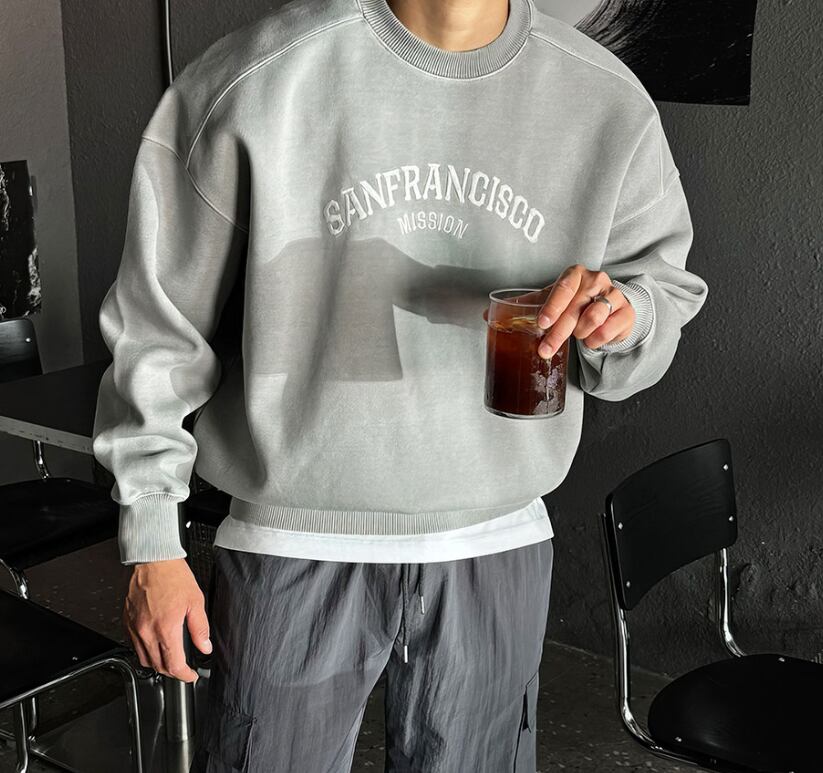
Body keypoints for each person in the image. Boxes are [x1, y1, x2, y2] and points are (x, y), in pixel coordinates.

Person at [92, 0, 708, 770]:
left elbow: (657, 294)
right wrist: (151, 538)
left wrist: (622, 317)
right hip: (294, 542)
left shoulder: (604, 101)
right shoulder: (255, 79)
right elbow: (158, 328)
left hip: (497, 539)